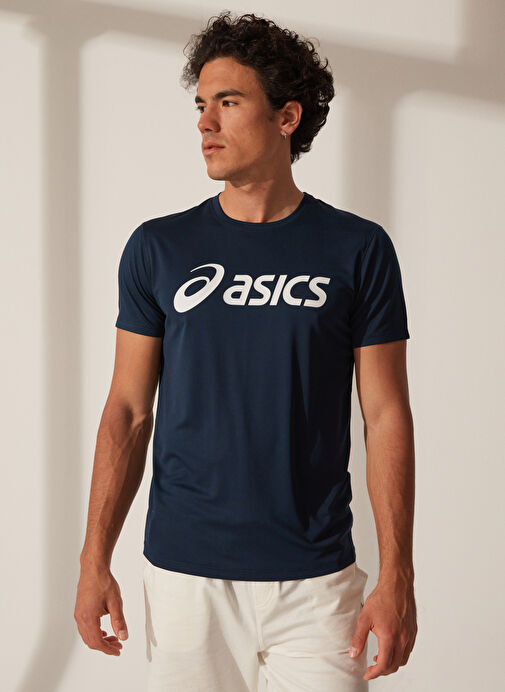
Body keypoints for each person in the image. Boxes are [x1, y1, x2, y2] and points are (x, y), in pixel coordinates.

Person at [74, 10, 417, 691]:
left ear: (287, 117)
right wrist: (93, 560)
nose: (205, 122)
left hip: (317, 581)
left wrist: (397, 577)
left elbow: (385, 416)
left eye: (228, 103)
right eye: (201, 105)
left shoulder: (358, 249)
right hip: (186, 578)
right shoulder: (159, 248)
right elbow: (128, 411)